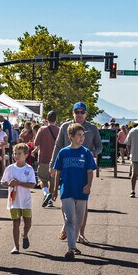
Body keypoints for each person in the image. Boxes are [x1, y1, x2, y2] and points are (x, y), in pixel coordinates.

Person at [51, 102, 102, 244]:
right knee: (65, 198)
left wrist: (91, 154)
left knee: (83, 203)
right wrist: (52, 165)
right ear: (73, 113)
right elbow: (58, 146)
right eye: (77, 112)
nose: (79, 114)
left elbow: (99, 146)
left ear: (86, 114)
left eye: (82, 112)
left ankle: (81, 233)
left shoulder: (92, 128)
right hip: (66, 170)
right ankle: (67, 225)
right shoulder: (65, 127)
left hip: (84, 171)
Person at [52, 123, 97, 260]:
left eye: (83, 135)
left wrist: (89, 185)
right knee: (70, 219)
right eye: (79, 135)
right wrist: (55, 190)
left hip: (82, 191)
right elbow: (58, 172)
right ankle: (71, 247)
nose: (82, 137)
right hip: (67, 190)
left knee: (79, 220)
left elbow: (90, 172)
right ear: (71, 136)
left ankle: (74, 242)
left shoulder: (86, 153)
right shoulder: (63, 152)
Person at [1, 143, 37, 254]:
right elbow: (3, 182)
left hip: (25, 201)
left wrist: (19, 183)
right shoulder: (10, 168)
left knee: (28, 223)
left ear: (26, 155)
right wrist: (9, 184)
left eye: (19, 154)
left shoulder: (29, 169)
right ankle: (16, 246)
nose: (16, 156)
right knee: (15, 223)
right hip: (14, 201)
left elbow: (32, 184)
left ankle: (25, 235)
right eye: (15, 153)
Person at [35, 111, 60, 208]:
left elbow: (36, 143)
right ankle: (49, 201)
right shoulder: (59, 130)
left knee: (42, 179)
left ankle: (46, 194)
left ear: (47, 118)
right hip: (55, 160)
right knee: (52, 182)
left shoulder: (42, 129)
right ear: (55, 119)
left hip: (43, 158)